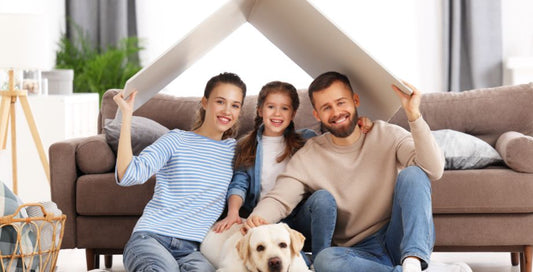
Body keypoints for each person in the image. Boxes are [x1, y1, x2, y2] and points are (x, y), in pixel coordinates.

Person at [243, 71, 472, 272]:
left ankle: (412, 262)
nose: (336, 112)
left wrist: (413, 115)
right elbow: (281, 197)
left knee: (414, 174)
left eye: (341, 103)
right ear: (317, 115)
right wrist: (254, 222)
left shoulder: (387, 134)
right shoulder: (309, 155)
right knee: (324, 261)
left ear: (355, 101)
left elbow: (434, 169)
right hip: (356, 251)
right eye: (326, 107)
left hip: (397, 236)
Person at [212, 81, 372, 261]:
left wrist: (360, 123)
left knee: (323, 197)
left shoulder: (306, 140)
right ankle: (303, 259)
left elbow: (337, 137)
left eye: (285, 108)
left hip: (299, 218)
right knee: (293, 263)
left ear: (293, 113)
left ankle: (322, 259)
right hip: (265, 220)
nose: (277, 114)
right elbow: (239, 183)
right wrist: (233, 213)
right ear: (260, 110)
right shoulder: (245, 144)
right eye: (271, 107)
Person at [114, 72, 247, 272]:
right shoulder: (176, 140)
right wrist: (127, 116)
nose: (227, 110)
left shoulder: (235, 151)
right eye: (220, 101)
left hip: (192, 250)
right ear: (204, 102)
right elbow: (128, 175)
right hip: (151, 238)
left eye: (235, 105)